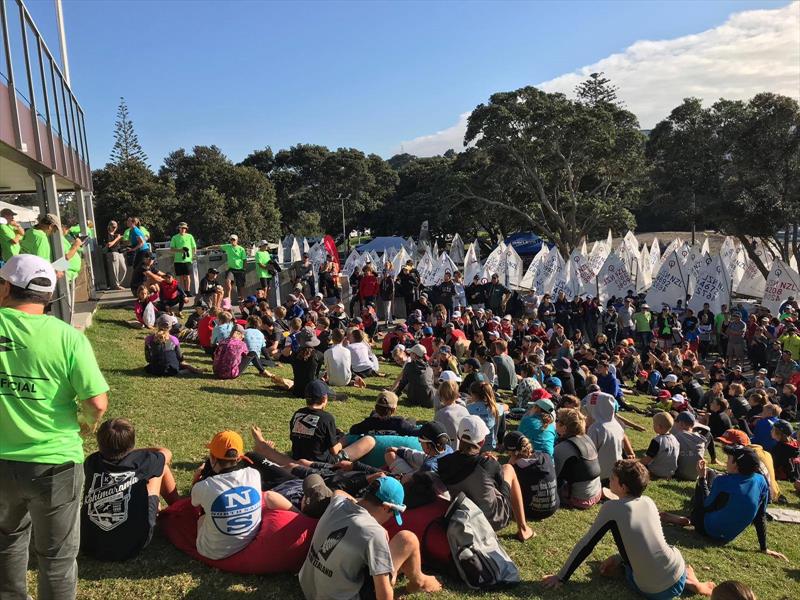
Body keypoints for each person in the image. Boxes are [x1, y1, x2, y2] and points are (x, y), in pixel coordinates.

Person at [0, 254, 108, 600]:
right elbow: (97, 402)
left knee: (7, 542)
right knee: (58, 558)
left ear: (6, 287)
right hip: (55, 463)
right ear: (49, 295)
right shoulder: (68, 337)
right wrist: (86, 424)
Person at [543, 460, 715, 598]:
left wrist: (561, 577)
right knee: (658, 554)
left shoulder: (612, 508)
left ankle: (688, 581)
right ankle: (691, 581)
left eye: (612, 478)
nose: (609, 479)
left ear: (623, 487)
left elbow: (587, 544)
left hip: (654, 591)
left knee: (609, 569)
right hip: (677, 569)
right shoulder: (648, 501)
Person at [298, 476, 441, 599]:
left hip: (308, 588)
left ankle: (418, 580)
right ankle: (419, 582)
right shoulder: (373, 533)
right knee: (407, 539)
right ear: (386, 507)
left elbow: (338, 492)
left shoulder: (337, 504)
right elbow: (383, 596)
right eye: (392, 513)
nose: (390, 518)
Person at [660, 446, 786, 561]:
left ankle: (689, 519)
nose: (726, 462)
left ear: (736, 464)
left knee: (707, 482)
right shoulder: (761, 481)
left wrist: (702, 478)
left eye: (729, 459)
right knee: (724, 499)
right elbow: (760, 516)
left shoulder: (723, 481)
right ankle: (688, 519)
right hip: (727, 537)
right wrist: (764, 548)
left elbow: (705, 505)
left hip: (707, 530)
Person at [81, 418, 179, 561]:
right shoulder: (143, 461)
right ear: (132, 445)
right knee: (161, 467)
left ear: (99, 443)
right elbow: (166, 453)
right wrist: (134, 451)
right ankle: (178, 507)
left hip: (90, 544)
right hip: (132, 545)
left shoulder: (91, 461)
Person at [438, 416, 535, 541]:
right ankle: (523, 528)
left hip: (461, 518)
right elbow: (500, 485)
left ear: (458, 436)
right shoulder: (488, 464)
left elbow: (466, 463)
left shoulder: (444, 463)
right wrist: (489, 461)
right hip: (493, 519)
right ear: (482, 441)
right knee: (508, 469)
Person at [190, 430, 263, 560]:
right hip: (248, 541)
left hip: (212, 552)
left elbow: (194, 503)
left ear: (212, 458)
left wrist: (196, 478)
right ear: (240, 457)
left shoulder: (205, 486)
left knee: (201, 518)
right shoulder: (254, 474)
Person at [288, 380, 375, 464]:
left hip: (297, 458)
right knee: (368, 441)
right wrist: (342, 440)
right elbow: (334, 451)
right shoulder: (326, 418)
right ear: (324, 398)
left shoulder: (298, 414)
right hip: (320, 463)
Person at [503, 431, 558, 521]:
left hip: (530, 511)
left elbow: (504, 488)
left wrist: (509, 464)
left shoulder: (516, 469)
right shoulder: (546, 456)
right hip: (552, 508)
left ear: (510, 452)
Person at [553, 408, 602, 509]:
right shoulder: (587, 438)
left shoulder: (563, 447)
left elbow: (553, 476)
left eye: (557, 420)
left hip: (579, 499)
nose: (555, 422)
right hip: (597, 493)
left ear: (564, 427)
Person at [640, 412, 679, 479]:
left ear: (659, 426)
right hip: (670, 473)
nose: (653, 426)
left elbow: (647, 460)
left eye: (654, 424)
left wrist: (635, 462)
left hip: (656, 472)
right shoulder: (675, 439)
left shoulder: (657, 441)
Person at [210, 235, 248, 301]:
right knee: (227, 282)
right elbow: (218, 246)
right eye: (231, 240)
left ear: (237, 240)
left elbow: (244, 259)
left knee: (241, 285)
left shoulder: (241, 249)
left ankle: (242, 298)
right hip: (231, 269)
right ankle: (228, 298)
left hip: (240, 269)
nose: (232, 241)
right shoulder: (228, 246)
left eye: (234, 240)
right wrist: (208, 247)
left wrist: (244, 269)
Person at [169, 222, 197, 295]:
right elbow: (172, 249)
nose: (183, 229)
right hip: (178, 260)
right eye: (182, 228)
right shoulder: (175, 237)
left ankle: (187, 291)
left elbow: (194, 247)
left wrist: (194, 255)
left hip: (188, 260)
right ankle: (181, 291)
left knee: (187, 276)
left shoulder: (190, 236)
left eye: (184, 228)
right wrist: (180, 250)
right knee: (180, 277)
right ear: (179, 228)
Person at [103, 220, 127, 290]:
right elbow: (109, 245)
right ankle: (115, 285)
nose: (114, 228)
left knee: (123, 269)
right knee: (114, 270)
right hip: (112, 253)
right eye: (113, 227)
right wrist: (117, 239)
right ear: (109, 227)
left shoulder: (116, 235)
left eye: (116, 227)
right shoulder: (107, 235)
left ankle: (117, 283)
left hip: (119, 253)